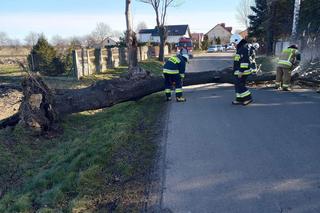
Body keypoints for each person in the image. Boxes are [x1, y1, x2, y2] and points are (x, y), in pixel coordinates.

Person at [230, 34, 253, 105]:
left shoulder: (243, 49)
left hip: (242, 72)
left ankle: (248, 98)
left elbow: (244, 61)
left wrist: (241, 71)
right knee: (237, 85)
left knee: (240, 85)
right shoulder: (240, 49)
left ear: (237, 41)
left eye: (234, 43)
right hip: (238, 71)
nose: (233, 45)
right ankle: (239, 99)